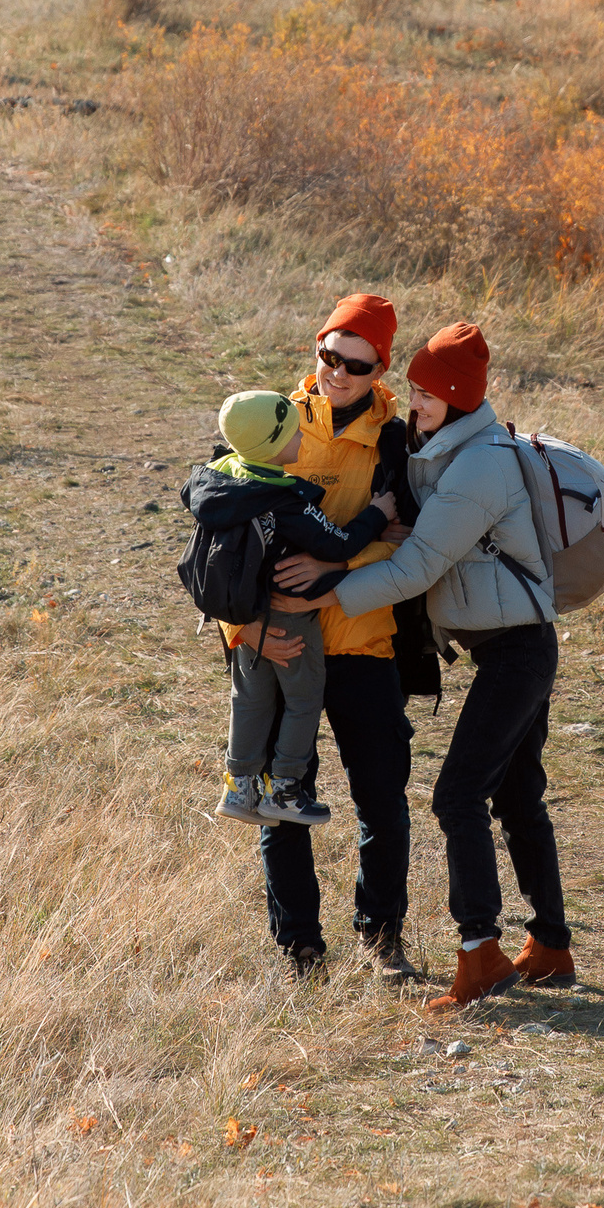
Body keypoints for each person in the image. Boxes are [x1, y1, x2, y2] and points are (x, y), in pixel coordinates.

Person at [270, 320, 575, 1008]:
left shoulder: (480, 466)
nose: (415, 402)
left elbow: (418, 566)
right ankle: (550, 946)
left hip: (518, 650)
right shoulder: (438, 447)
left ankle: (479, 954)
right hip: (504, 646)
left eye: (429, 393)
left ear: (461, 398)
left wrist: (324, 589)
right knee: (518, 795)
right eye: (411, 388)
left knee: (456, 795)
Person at [219, 292, 423, 981]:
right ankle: (300, 948)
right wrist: (243, 629)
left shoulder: (399, 441)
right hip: (278, 648)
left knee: (383, 804)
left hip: (364, 642)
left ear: (380, 369)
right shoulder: (271, 422)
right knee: (282, 805)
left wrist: (335, 562)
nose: (336, 373)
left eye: (355, 366)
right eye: (328, 356)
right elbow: (220, 544)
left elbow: (413, 544)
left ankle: (382, 939)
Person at [182, 390, 400, 829]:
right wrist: (377, 515)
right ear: (273, 444)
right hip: (290, 616)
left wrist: (242, 624)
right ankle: (285, 788)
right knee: (303, 700)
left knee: (248, 699)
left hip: (247, 617)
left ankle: (239, 785)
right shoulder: (285, 502)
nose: (302, 432)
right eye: (291, 429)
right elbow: (337, 543)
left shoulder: (220, 479)